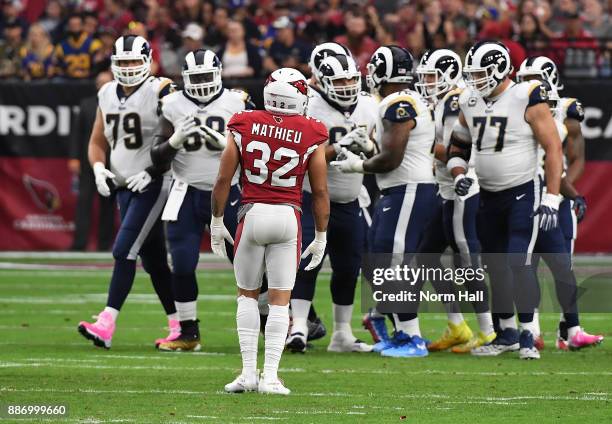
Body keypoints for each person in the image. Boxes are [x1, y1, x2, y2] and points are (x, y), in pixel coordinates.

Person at [212, 68, 329, 395]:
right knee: (280, 301)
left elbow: (223, 179)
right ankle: (271, 378)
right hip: (288, 217)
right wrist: (321, 235)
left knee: (247, 295)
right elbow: (319, 191)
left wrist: (216, 221)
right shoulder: (312, 130)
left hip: (252, 213)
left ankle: (249, 373)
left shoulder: (243, 122)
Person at [447, 41, 563, 360]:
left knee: (518, 261)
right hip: (487, 195)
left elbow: (553, 149)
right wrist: (459, 175)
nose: (475, 80)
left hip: (524, 191)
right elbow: (458, 147)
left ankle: (529, 333)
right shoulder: (469, 100)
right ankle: (507, 333)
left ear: (499, 69)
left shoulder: (526, 95)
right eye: (471, 73)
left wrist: (552, 196)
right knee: (495, 266)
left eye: (481, 73)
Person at [331, 45, 436, 358]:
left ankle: (412, 337)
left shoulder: (397, 102)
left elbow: (391, 159)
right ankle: (402, 332)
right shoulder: (397, 101)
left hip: (409, 188)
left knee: (393, 263)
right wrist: (369, 147)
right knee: (379, 259)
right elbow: (387, 151)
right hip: (399, 190)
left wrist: (358, 165)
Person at [77, 35, 177, 349]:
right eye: (122, 62)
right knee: (155, 261)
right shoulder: (106, 92)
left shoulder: (161, 90)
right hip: (123, 186)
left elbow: (177, 137)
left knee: (123, 250)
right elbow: (97, 141)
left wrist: (152, 171)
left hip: (153, 184)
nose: (129, 67)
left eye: (134, 61)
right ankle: (181, 324)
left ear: (147, 60)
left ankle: (106, 323)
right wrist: (97, 168)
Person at [150, 49, 252, 351]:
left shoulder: (238, 101)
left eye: (207, 76)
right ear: (185, 78)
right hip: (185, 191)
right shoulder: (171, 104)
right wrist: (174, 141)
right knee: (181, 263)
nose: (203, 83)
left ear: (219, 74)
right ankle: (188, 332)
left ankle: (271, 324)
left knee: (248, 262)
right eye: (196, 78)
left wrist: (232, 148)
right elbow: (156, 159)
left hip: (229, 190)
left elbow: (259, 152)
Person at [286, 51, 377, 354]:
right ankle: (298, 326)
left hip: (350, 198)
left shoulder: (368, 105)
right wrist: (338, 147)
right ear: (323, 82)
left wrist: (369, 147)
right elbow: (302, 161)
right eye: (340, 81)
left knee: (348, 267)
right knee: (306, 262)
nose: (348, 85)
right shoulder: (310, 107)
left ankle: (342, 333)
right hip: (313, 198)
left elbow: (377, 154)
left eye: (351, 78)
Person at [516, 56, 603, 351]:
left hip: (555, 193)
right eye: (524, 76)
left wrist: (569, 190)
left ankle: (568, 329)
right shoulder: (515, 105)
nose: (527, 83)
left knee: (562, 264)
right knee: (526, 263)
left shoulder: (566, 108)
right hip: (527, 191)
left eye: (534, 77)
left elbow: (574, 156)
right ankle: (532, 328)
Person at [415, 49, 496, 353]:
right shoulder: (444, 100)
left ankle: (488, 331)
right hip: (447, 189)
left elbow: (452, 151)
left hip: (462, 187)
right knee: (426, 255)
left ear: (449, 75)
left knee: (467, 258)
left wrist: (418, 143)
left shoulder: (454, 100)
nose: (427, 82)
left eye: (432, 76)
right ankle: (457, 325)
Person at [69, 71, 116, 251]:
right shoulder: (87, 104)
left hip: (112, 162)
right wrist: (74, 157)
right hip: (88, 161)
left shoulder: (118, 105)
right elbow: (77, 133)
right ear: (96, 85)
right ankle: (79, 244)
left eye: (107, 82)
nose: (103, 86)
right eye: (100, 83)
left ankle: (105, 245)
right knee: (84, 203)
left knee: (108, 205)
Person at [53, 13, 102, 79]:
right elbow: (57, 67)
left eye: (77, 25)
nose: (75, 28)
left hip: (88, 81)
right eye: (72, 25)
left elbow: (98, 67)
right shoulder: (61, 47)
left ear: (83, 26)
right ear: (68, 27)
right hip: (68, 82)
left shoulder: (94, 44)